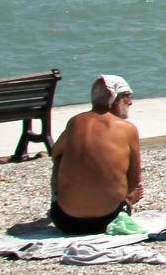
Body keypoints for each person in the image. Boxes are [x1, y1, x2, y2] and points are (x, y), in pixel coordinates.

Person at [49, 74, 144, 234]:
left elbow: (55, 153)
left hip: (65, 221)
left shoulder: (75, 122)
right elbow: (135, 179)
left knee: (60, 158)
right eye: (126, 97)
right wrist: (129, 195)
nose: (130, 102)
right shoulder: (128, 129)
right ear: (114, 99)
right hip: (109, 219)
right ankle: (124, 202)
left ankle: (65, 199)